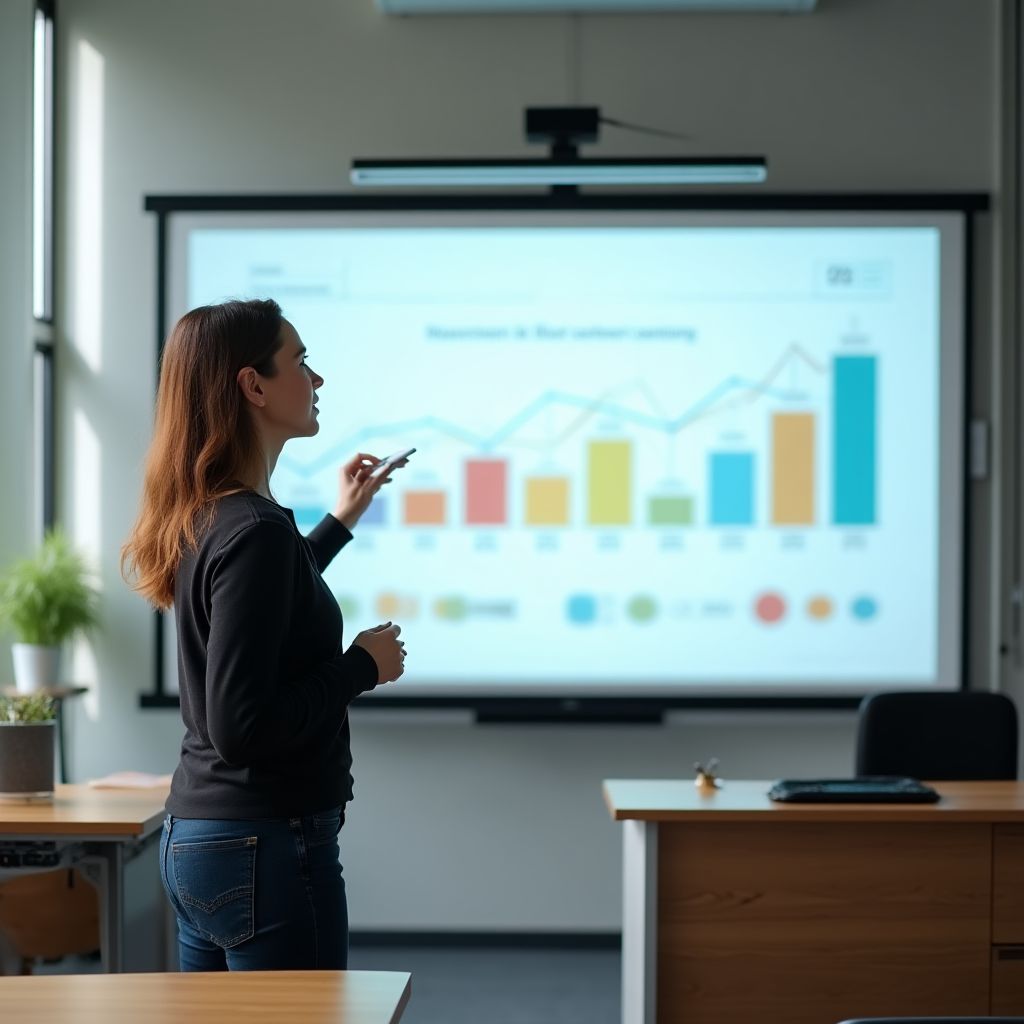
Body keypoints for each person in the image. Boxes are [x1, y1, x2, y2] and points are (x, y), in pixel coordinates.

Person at [121, 298, 407, 971]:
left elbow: (273, 600)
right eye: (302, 362)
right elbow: (242, 727)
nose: (317, 381)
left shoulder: (216, 516)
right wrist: (361, 666)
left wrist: (340, 520)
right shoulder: (255, 531)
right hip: (265, 842)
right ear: (253, 385)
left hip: (203, 841)